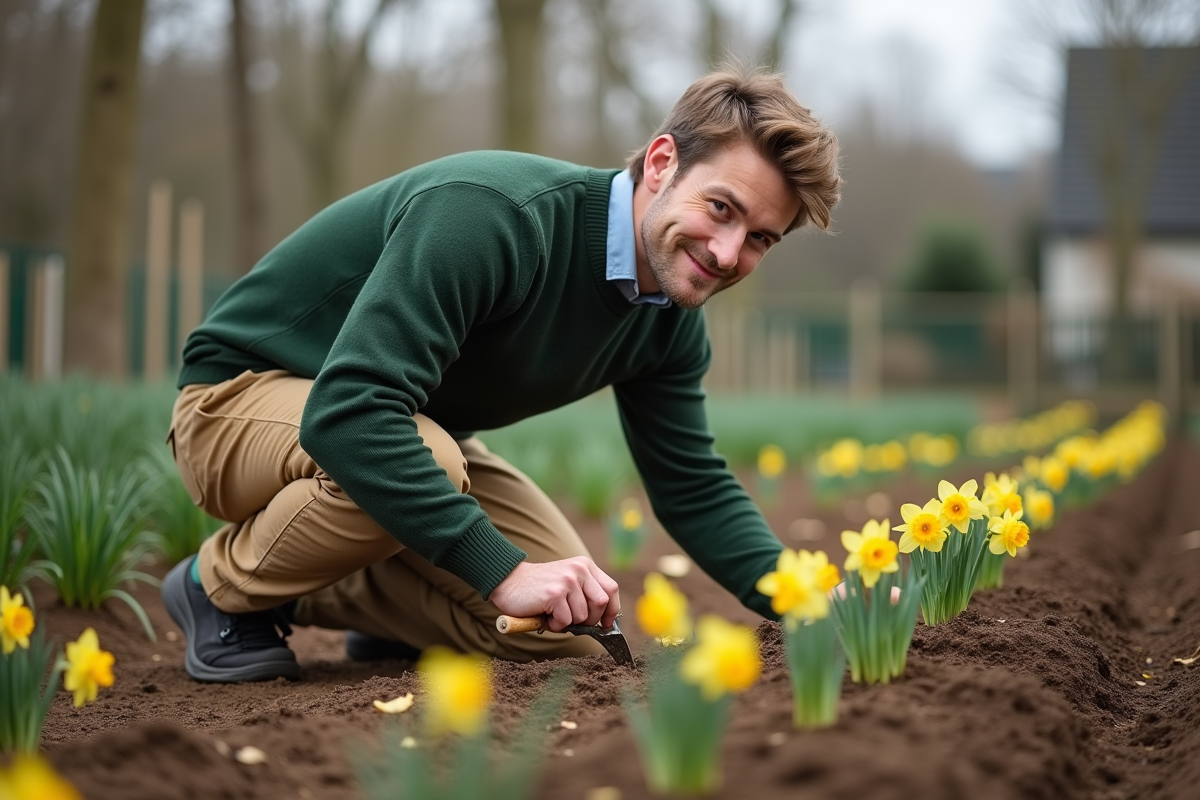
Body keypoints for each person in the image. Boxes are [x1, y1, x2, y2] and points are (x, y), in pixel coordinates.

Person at [162, 65, 842, 682]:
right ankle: (214, 584)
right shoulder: (494, 216)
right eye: (721, 209)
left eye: (759, 239)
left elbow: (691, 484)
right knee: (430, 464)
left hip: (398, 430)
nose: (727, 253)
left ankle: (373, 608)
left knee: (567, 631)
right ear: (662, 162)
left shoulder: (668, 322)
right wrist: (503, 571)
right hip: (234, 406)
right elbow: (349, 415)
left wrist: (806, 596)